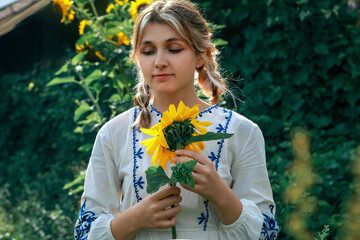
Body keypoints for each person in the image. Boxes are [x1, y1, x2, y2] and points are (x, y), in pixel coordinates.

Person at [74, 0, 279, 239]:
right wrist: (135, 218)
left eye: (174, 49)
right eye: (148, 51)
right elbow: (85, 232)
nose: (159, 61)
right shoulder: (113, 133)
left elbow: (267, 232)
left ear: (200, 55)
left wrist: (220, 194)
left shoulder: (241, 132)